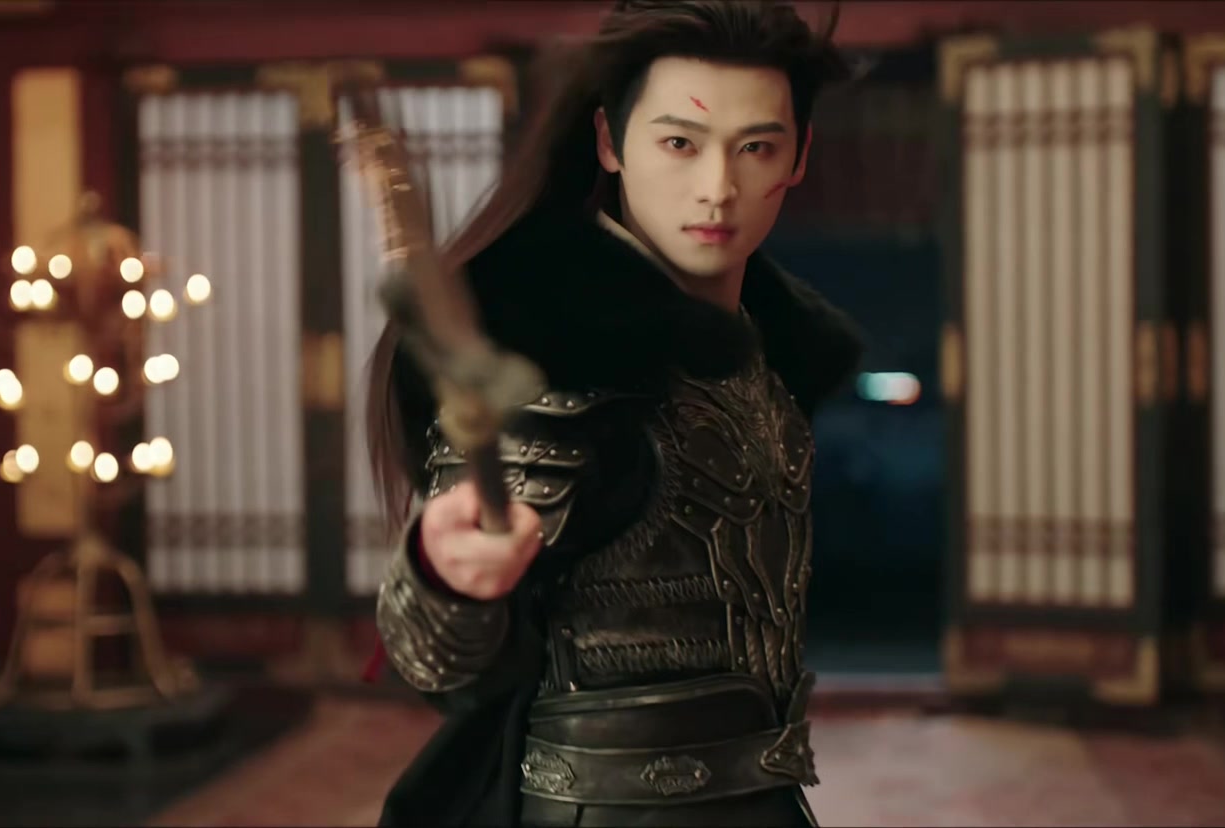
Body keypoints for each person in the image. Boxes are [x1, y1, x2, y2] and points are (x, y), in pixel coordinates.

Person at [364, 1, 863, 825]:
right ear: (610, 141)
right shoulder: (558, 357)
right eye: (680, 143)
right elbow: (436, 659)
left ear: (799, 155)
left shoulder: (764, 351)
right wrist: (443, 571)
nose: (718, 188)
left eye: (756, 148)